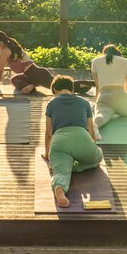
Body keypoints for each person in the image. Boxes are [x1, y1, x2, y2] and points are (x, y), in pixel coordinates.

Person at [42, 75, 103, 208]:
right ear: (72, 89)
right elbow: (91, 131)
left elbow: (48, 133)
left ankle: (59, 187)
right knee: (97, 157)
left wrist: (48, 155)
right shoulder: (84, 102)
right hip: (81, 137)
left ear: (55, 90)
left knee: (60, 172)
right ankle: (74, 168)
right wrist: (91, 147)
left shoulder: (51, 103)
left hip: (59, 141)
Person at [90, 43, 127, 128]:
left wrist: (98, 103)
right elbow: (126, 87)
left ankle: (94, 127)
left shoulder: (95, 61)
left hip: (105, 98)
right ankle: (116, 109)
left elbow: (98, 86)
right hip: (121, 98)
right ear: (117, 52)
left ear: (104, 52)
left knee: (101, 116)